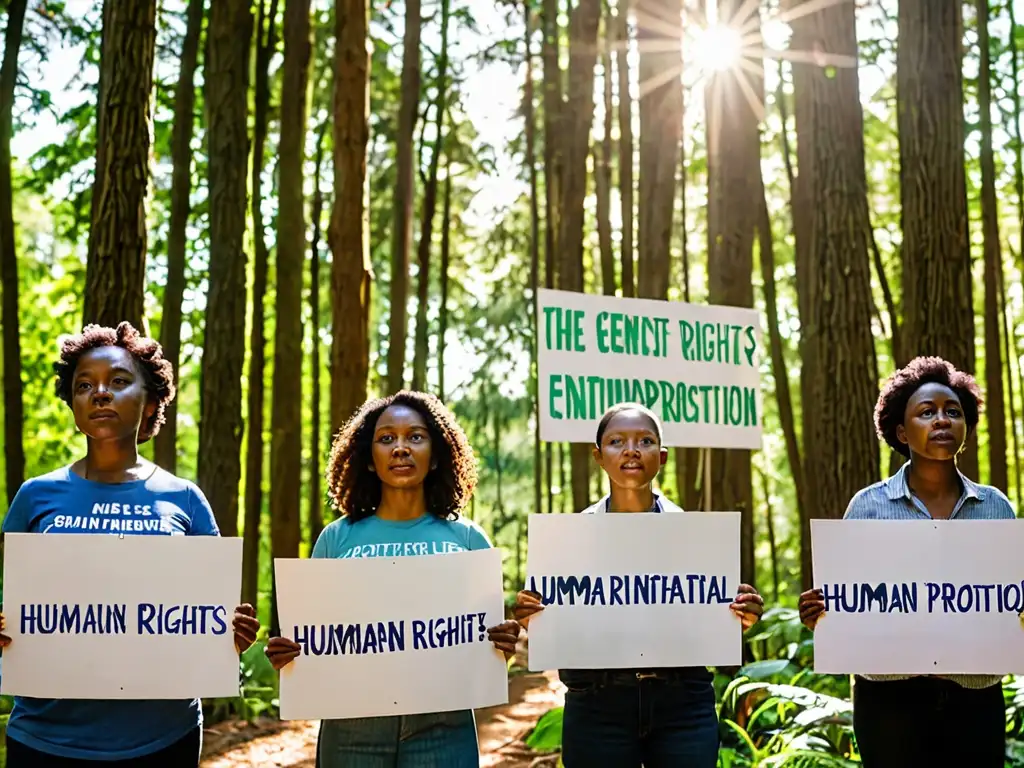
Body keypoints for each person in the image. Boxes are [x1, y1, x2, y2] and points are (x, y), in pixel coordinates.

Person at [0, 322, 261, 766]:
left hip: (163, 737)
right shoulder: (34, 497)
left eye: (119, 382)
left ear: (151, 400)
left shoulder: (186, 500)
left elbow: (207, 614)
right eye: (85, 385)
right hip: (45, 737)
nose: (100, 393)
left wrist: (230, 636)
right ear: (73, 403)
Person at [265, 391, 521, 768]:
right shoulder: (336, 539)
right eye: (386, 439)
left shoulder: (468, 540)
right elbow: (312, 638)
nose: (400, 448)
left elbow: (488, 650)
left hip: (444, 726)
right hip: (351, 727)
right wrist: (289, 656)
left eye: (415, 437)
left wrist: (504, 644)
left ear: (435, 456)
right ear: (369, 460)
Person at [513, 402, 764, 768]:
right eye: (617, 441)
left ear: (661, 457)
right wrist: (534, 615)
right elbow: (558, 619)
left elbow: (708, 613)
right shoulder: (567, 539)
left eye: (644, 441)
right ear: (598, 456)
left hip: (683, 703)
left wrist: (738, 614)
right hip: (597, 705)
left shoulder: (697, 536)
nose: (631, 449)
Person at [798, 356, 1013, 767]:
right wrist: (822, 614)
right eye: (927, 412)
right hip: (887, 700)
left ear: (966, 428)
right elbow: (847, 598)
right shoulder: (868, 505)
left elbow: (1009, 597)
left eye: (953, 412)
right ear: (901, 430)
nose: (942, 420)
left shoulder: (995, 507)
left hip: (975, 697)